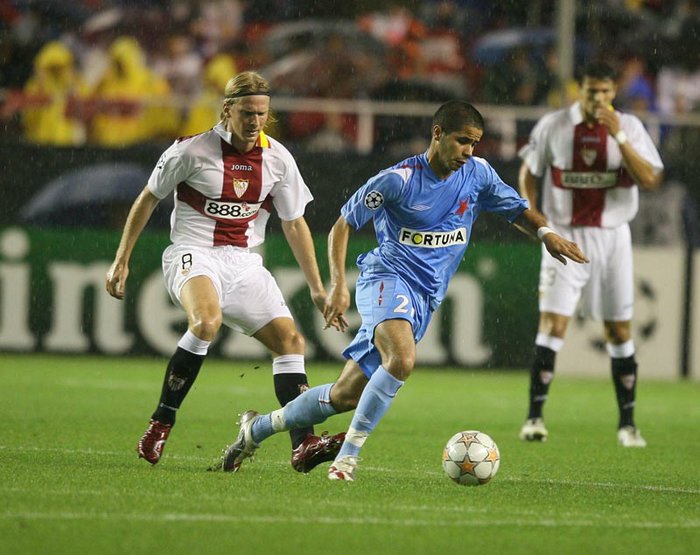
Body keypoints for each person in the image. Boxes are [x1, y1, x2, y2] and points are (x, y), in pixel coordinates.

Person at [220, 100, 589, 481]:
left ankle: (256, 429)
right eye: (462, 140)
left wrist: (546, 234)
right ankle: (346, 459)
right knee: (402, 359)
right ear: (438, 134)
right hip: (386, 278)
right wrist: (337, 286)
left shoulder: (478, 174)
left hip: (425, 296)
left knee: (344, 395)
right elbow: (343, 225)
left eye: (475, 143)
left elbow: (516, 210)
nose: (468, 151)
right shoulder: (398, 180)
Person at [105, 70, 345, 472]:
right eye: (247, 112)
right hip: (193, 252)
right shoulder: (190, 151)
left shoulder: (279, 158)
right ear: (227, 109)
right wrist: (121, 257)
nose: (255, 121)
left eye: (262, 114)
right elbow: (148, 198)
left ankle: (303, 444)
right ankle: (162, 420)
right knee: (206, 322)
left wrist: (318, 289)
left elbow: (294, 222)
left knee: (291, 341)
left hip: (245, 262)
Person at [517, 62, 664, 448]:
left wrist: (621, 140)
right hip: (565, 236)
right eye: (590, 91)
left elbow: (650, 179)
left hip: (613, 237)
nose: (597, 99)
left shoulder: (630, 127)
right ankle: (534, 418)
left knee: (618, 330)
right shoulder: (553, 125)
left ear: (613, 92)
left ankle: (628, 424)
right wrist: (537, 218)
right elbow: (528, 173)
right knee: (553, 326)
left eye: (604, 92)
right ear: (578, 90)